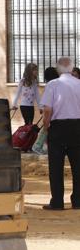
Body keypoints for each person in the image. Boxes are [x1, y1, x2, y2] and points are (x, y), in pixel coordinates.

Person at [41, 57, 80, 211]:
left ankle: (57, 201)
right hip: (77, 127)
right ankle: (78, 201)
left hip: (58, 127)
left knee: (56, 167)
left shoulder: (53, 84)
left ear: (58, 69)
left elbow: (48, 109)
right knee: (78, 166)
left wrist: (46, 126)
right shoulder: (79, 83)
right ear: (71, 69)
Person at [32, 67, 60, 155]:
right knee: (46, 129)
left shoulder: (50, 85)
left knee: (46, 129)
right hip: (55, 111)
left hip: (50, 111)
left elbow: (45, 100)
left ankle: (38, 146)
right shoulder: (56, 84)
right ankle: (37, 146)